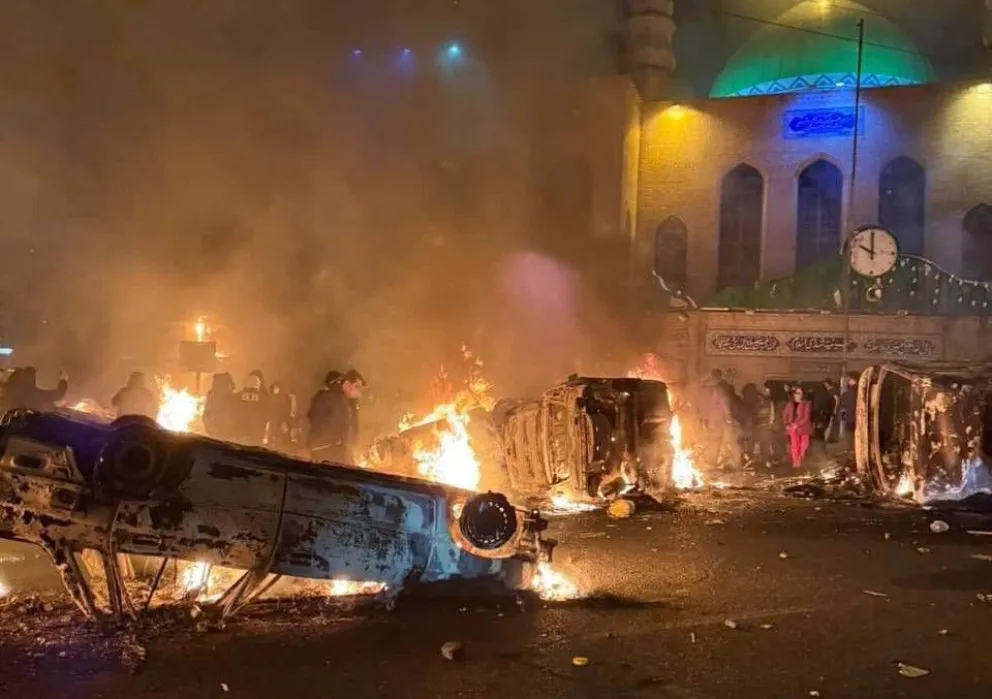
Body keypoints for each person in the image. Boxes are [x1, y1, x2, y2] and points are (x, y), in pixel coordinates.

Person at [307, 369, 365, 464]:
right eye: (356, 386)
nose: (359, 391)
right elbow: (315, 420)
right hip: (328, 454)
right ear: (347, 384)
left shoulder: (345, 402)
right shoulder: (331, 398)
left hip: (336, 453)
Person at [1, 367, 69, 412]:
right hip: (23, 429)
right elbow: (58, 394)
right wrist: (63, 380)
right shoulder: (32, 392)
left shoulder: (6, 389)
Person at [783, 386, 813, 469]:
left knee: (804, 445)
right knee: (795, 445)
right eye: (797, 393)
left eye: (800, 393)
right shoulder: (790, 404)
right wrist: (787, 424)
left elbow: (806, 417)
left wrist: (797, 424)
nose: (799, 395)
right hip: (792, 427)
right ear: (794, 394)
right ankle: (796, 462)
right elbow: (785, 414)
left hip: (803, 427)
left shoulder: (807, 403)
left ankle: (801, 460)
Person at [236, 372, 269, 447]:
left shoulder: (237, 397)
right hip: (256, 436)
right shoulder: (265, 399)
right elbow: (268, 416)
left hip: (240, 434)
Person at [203, 372, 238, 442]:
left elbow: (206, 415)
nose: (231, 388)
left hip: (220, 432)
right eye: (230, 386)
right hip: (223, 432)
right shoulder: (229, 397)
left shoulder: (212, 396)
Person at [753, 383, 777, 466]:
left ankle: (766, 460)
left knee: (765, 444)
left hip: (764, 426)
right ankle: (765, 460)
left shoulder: (768, 402)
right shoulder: (757, 402)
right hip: (760, 426)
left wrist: (770, 423)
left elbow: (772, 414)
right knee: (763, 444)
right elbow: (754, 414)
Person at [267, 381, 294, 451]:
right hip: (274, 422)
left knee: (282, 440)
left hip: (282, 422)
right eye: (274, 388)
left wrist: (285, 421)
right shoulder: (271, 399)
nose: (276, 390)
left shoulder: (285, 398)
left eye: (277, 388)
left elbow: (287, 411)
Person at [838, 372, 859, 447]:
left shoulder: (848, 393)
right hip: (858, 418)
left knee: (850, 435)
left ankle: (852, 449)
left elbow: (843, 407)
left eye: (849, 379)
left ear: (854, 380)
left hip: (850, 418)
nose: (848, 381)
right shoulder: (860, 391)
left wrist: (843, 418)